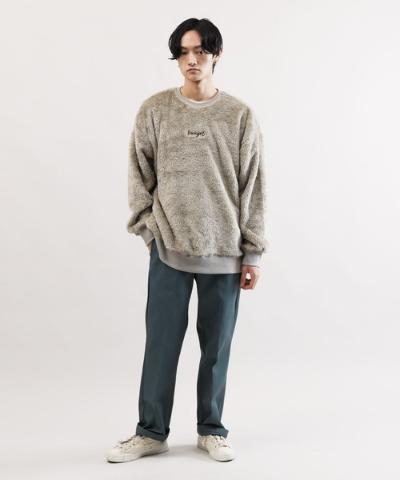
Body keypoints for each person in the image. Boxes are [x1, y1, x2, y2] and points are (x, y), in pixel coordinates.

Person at [106, 17, 268, 464]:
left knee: (216, 349)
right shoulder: (155, 110)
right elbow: (139, 175)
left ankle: (211, 429)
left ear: (217, 54)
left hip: (225, 251)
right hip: (169, 249)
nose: (191, 60)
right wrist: (148, 232)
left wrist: (252, 252)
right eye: (183, 52)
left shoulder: (239, 115)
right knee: (160, 345)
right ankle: (150, 432)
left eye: (200, 51)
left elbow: (253, 186)